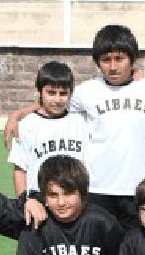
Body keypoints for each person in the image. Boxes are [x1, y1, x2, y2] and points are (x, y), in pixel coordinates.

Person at [4, 24, 145, 231]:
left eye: (119, 59)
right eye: (106, 60)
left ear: (132, 59)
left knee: (133, 251)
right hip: (96, 189)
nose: (113, 66)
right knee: (99, 254)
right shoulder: (87, 91)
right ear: (97, 63)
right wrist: (17, 114)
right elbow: (55, 102)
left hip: (136, 188)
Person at [7, 61, 88, 197]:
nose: (57, 99)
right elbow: (20, 169)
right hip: (39, 198)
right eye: (51, 93)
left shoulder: (81, 121)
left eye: (63, 93)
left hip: (74, 197)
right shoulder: (26, 125)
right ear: (40, 91)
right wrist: (22, 202)